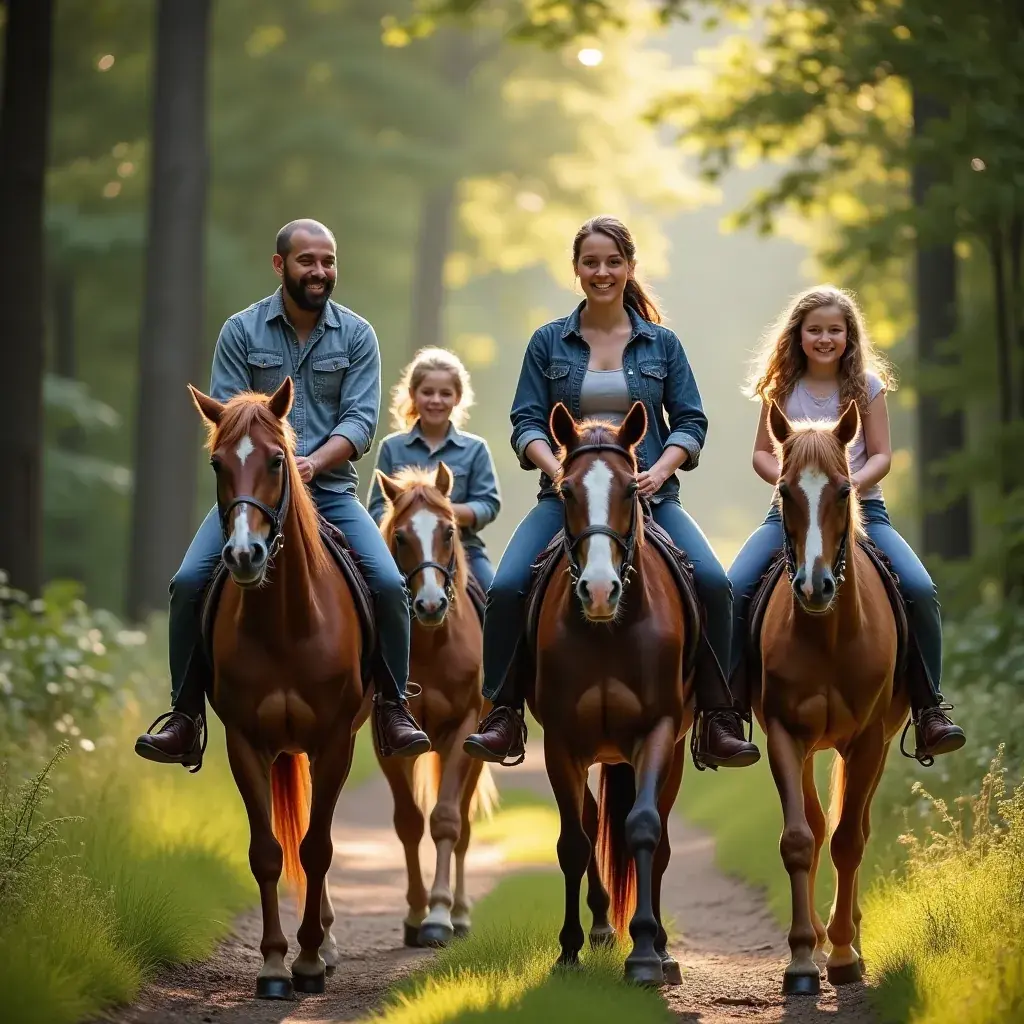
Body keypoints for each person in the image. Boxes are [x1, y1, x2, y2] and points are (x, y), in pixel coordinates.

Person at [462, 214, 761, 769]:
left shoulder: (662, 344)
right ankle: (503, 713)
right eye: (591, 262)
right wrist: (556, 470)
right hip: (566, 499)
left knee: (716, 583)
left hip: (649, 498)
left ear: (629, 267)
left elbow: (691, 422)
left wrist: (662, 469)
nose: (602, 272)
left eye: (613, 261)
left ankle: (719, 717)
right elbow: (525, 419)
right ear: (576, 269)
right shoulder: (548, 341)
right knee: (504, 589)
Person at [134, 218, 429, 768]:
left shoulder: (358, 335)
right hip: (254, 496)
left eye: (328, 261)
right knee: (188, 582)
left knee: (389, 584)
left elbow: (362, 421)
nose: (320, 272)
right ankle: (184, 715)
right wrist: (271, 474)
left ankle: (393, 706)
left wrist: (311, 464)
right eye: (307, 261)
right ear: (281, 266)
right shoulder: (241, 332)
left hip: (332, 492)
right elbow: (228, 420)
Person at [728, 284, 966, 763]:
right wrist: (795, 486)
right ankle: (727, 711)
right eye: (814, 330)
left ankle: (929, 709)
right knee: (732, 587)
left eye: (834, 330)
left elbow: (882, 454)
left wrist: (846, 487)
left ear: (848, 335)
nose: (824, 339)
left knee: (920, 589)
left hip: (862, 511)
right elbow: (759, 453)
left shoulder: (868, 387)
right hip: (790, 513)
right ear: (797, 336)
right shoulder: (781, 391)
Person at [368, 348, 501, 591]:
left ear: (457, 397)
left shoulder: (475, 449)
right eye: (427, 392)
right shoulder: (392, 447)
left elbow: (488, 504)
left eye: (445, 394)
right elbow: (377, 508)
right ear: (413, 394)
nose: (436, 400)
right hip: (404, 552)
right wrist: (410, 523)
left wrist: (439, 514)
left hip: (464, 547)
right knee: (372, 591)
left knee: (496, 594)